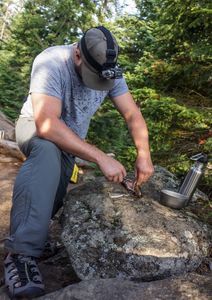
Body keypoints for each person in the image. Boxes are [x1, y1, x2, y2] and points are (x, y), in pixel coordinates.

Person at [4, 26, 154, 299]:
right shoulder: (51, 62)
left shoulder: (110, 70)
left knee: (58, 186)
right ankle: (21, 254)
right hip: (36, 127)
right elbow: (47, 125)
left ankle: (35, 235)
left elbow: (132, 114)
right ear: (77, 55)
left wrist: (144, 154)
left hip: (70, 139)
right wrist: (100, 157)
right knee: (48, 154)